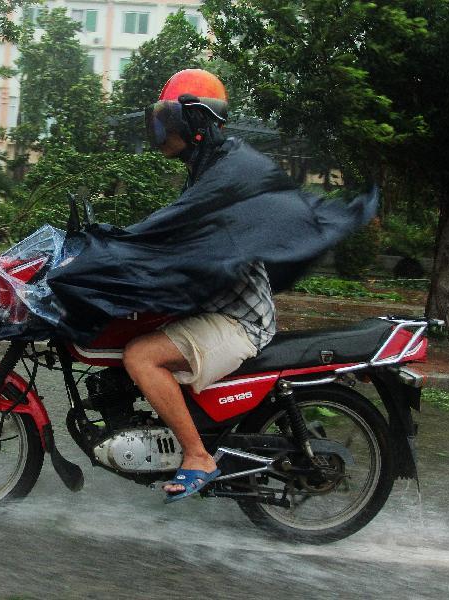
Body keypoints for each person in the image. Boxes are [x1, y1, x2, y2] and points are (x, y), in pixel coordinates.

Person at [121, 69, 276, 503]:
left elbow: (181, 234)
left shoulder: (223, 175)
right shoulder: (207, 170)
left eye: (170, 117)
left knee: (142, 355)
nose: (162, 127)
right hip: (218, 306)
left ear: (197, 121)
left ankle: (197, 455)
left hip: (239, 318)